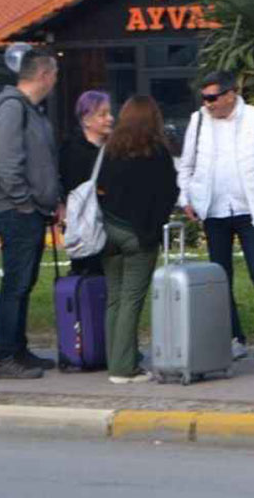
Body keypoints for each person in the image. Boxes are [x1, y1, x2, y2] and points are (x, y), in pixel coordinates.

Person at [179, 71, 254, 360]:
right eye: (204, 99)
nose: (208, 104)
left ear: (231, 94)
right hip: (213, 208)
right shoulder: (198, 120)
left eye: (213, 98)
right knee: (219, 276)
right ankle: (232, 337)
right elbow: (186, 164)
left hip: (249, 208)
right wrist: (185, 197)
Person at [0, 47, 61, 379]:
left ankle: (18, 350)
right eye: (54, 74)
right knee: (16, 283)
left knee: (24, 282)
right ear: (44, 75)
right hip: (15, 210)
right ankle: (6, 357)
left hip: (30, 209)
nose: (56, 80)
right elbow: (6, 161)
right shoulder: (12, 107)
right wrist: (25, 201)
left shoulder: (30, 109)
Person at [96, 96, 179, 384]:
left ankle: (116, 359)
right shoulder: (157, 153)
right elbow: (169, 193)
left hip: (109, 231)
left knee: (115, 299)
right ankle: (123, 368)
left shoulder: (111, 149)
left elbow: (101, 188)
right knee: (132, 299)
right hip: (139, 235)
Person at [58, 90, 113, 276]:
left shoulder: (114, 148)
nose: (110, 119)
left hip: (109, 226)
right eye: (102, 114)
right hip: (84, 228)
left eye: (109, 113)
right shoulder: (71, 151)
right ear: (87, 119)